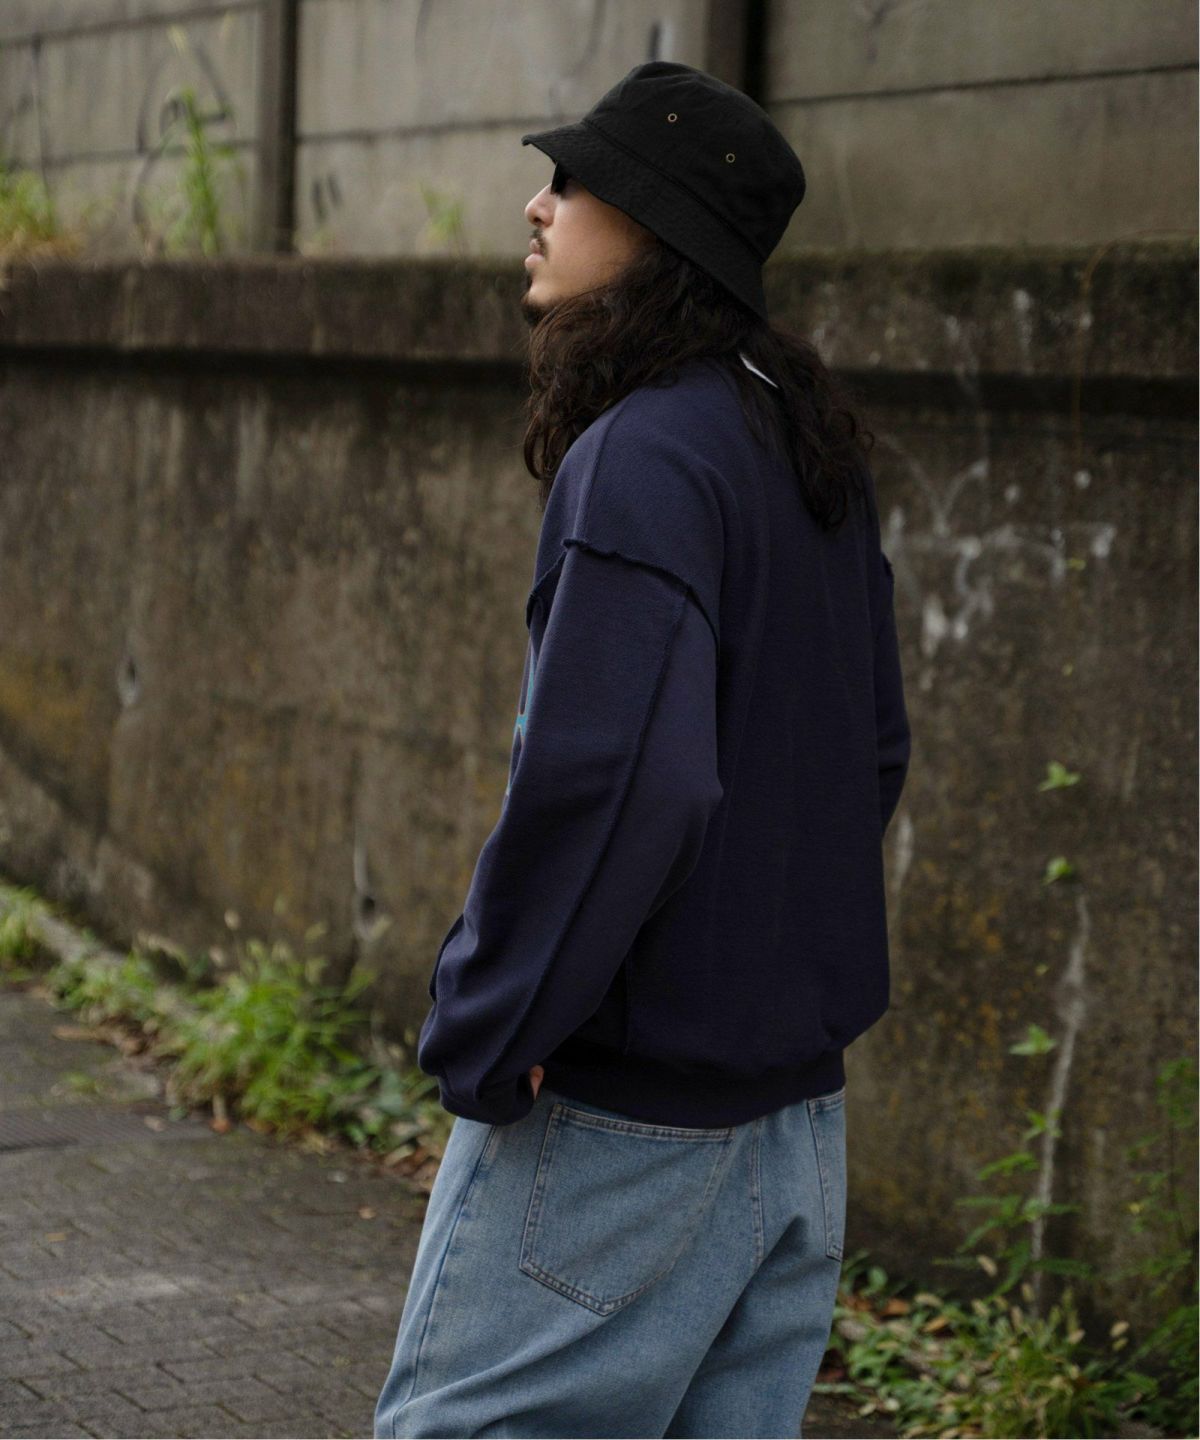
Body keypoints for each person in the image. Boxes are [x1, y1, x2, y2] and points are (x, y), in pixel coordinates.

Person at [374, 60, 911, 1440]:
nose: (537, 204)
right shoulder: (799, 446)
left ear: (660, 229)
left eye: (573, 182)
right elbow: (870, 756)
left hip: (621, 1131)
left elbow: (614, 783)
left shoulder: (645, 456)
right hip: (792, 1132)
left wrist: (494, 1023)